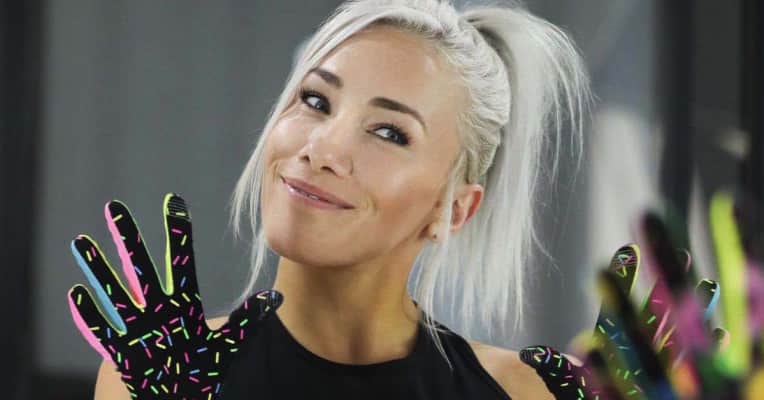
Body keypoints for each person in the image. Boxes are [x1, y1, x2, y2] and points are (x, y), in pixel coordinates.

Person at [92, 0, 592, 398]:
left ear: (453, 209)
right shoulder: (154, 375)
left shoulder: (526, 392)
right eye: (316, 101)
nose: (322, 149)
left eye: (389, 132)